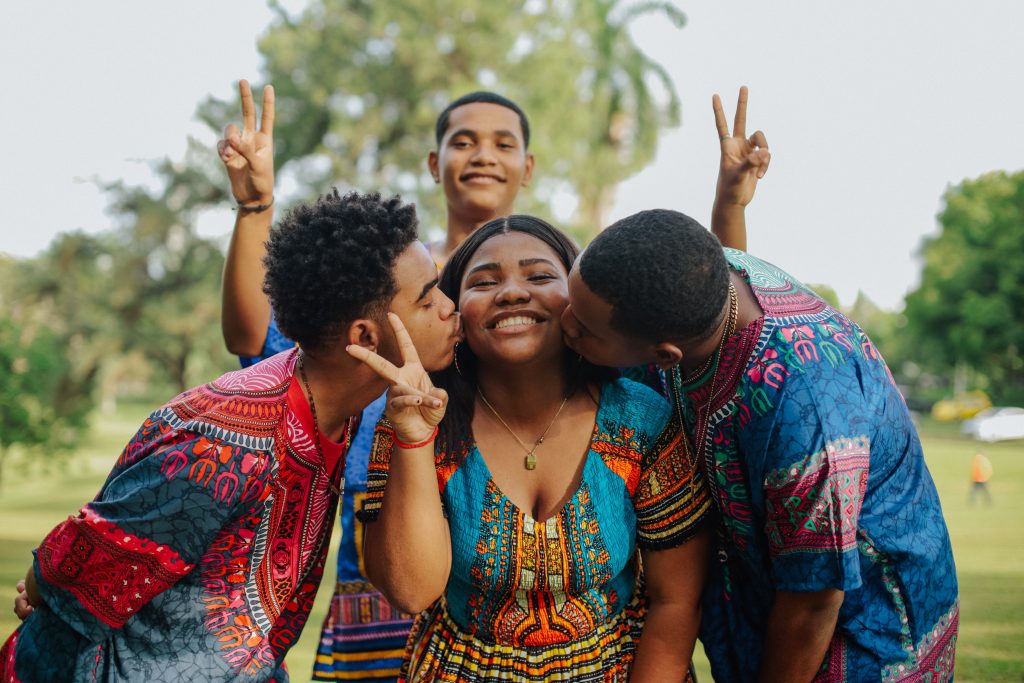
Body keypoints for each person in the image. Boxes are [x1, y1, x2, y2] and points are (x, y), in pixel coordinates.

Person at [1, 190, 460, 683]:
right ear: (365, 337)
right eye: (428, 298)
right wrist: (42, 584)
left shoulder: (338, 409)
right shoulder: (226, 443)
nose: (449, 307)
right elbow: (76, 568)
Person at [559, 192, 960, 676]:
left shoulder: (804, 402)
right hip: (764, 594)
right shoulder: (707, 277)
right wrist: (728, 204)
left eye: (584, 328)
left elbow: (815, 597)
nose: (564, 323)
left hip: (864, 631)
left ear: (665, 356)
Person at [216, 81, 536, 681]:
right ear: (434, 164)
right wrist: (255, 208)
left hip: (498, 558)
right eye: (463, 141)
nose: (483, 155)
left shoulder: (541, 292)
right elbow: (253, 338)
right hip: (377, 540)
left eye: (503, 143)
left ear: (529, 166)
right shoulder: (393, 275)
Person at [351, 215, 713, 682]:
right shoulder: (412, 419)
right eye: (484, 282)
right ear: (456, 314)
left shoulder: (643, 421)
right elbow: (411, 592)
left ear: (578, 300)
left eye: (540, 276)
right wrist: (415, 438)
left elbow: (676, 600)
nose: (511, 293)